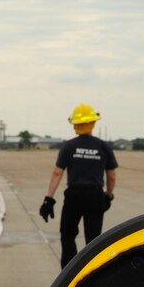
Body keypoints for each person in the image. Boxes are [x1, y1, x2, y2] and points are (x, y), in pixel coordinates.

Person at [39, 103, 118, 267]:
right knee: (94, 240)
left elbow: (57, 173)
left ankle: (69, 273)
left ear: (75, 123)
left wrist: (49, 199)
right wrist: (109, 195)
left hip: (74, 195)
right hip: (95, 195)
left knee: (67, 235)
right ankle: (91, 274)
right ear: (93, 123)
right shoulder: (103, 146)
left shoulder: (69, 146)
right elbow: (111, 176)